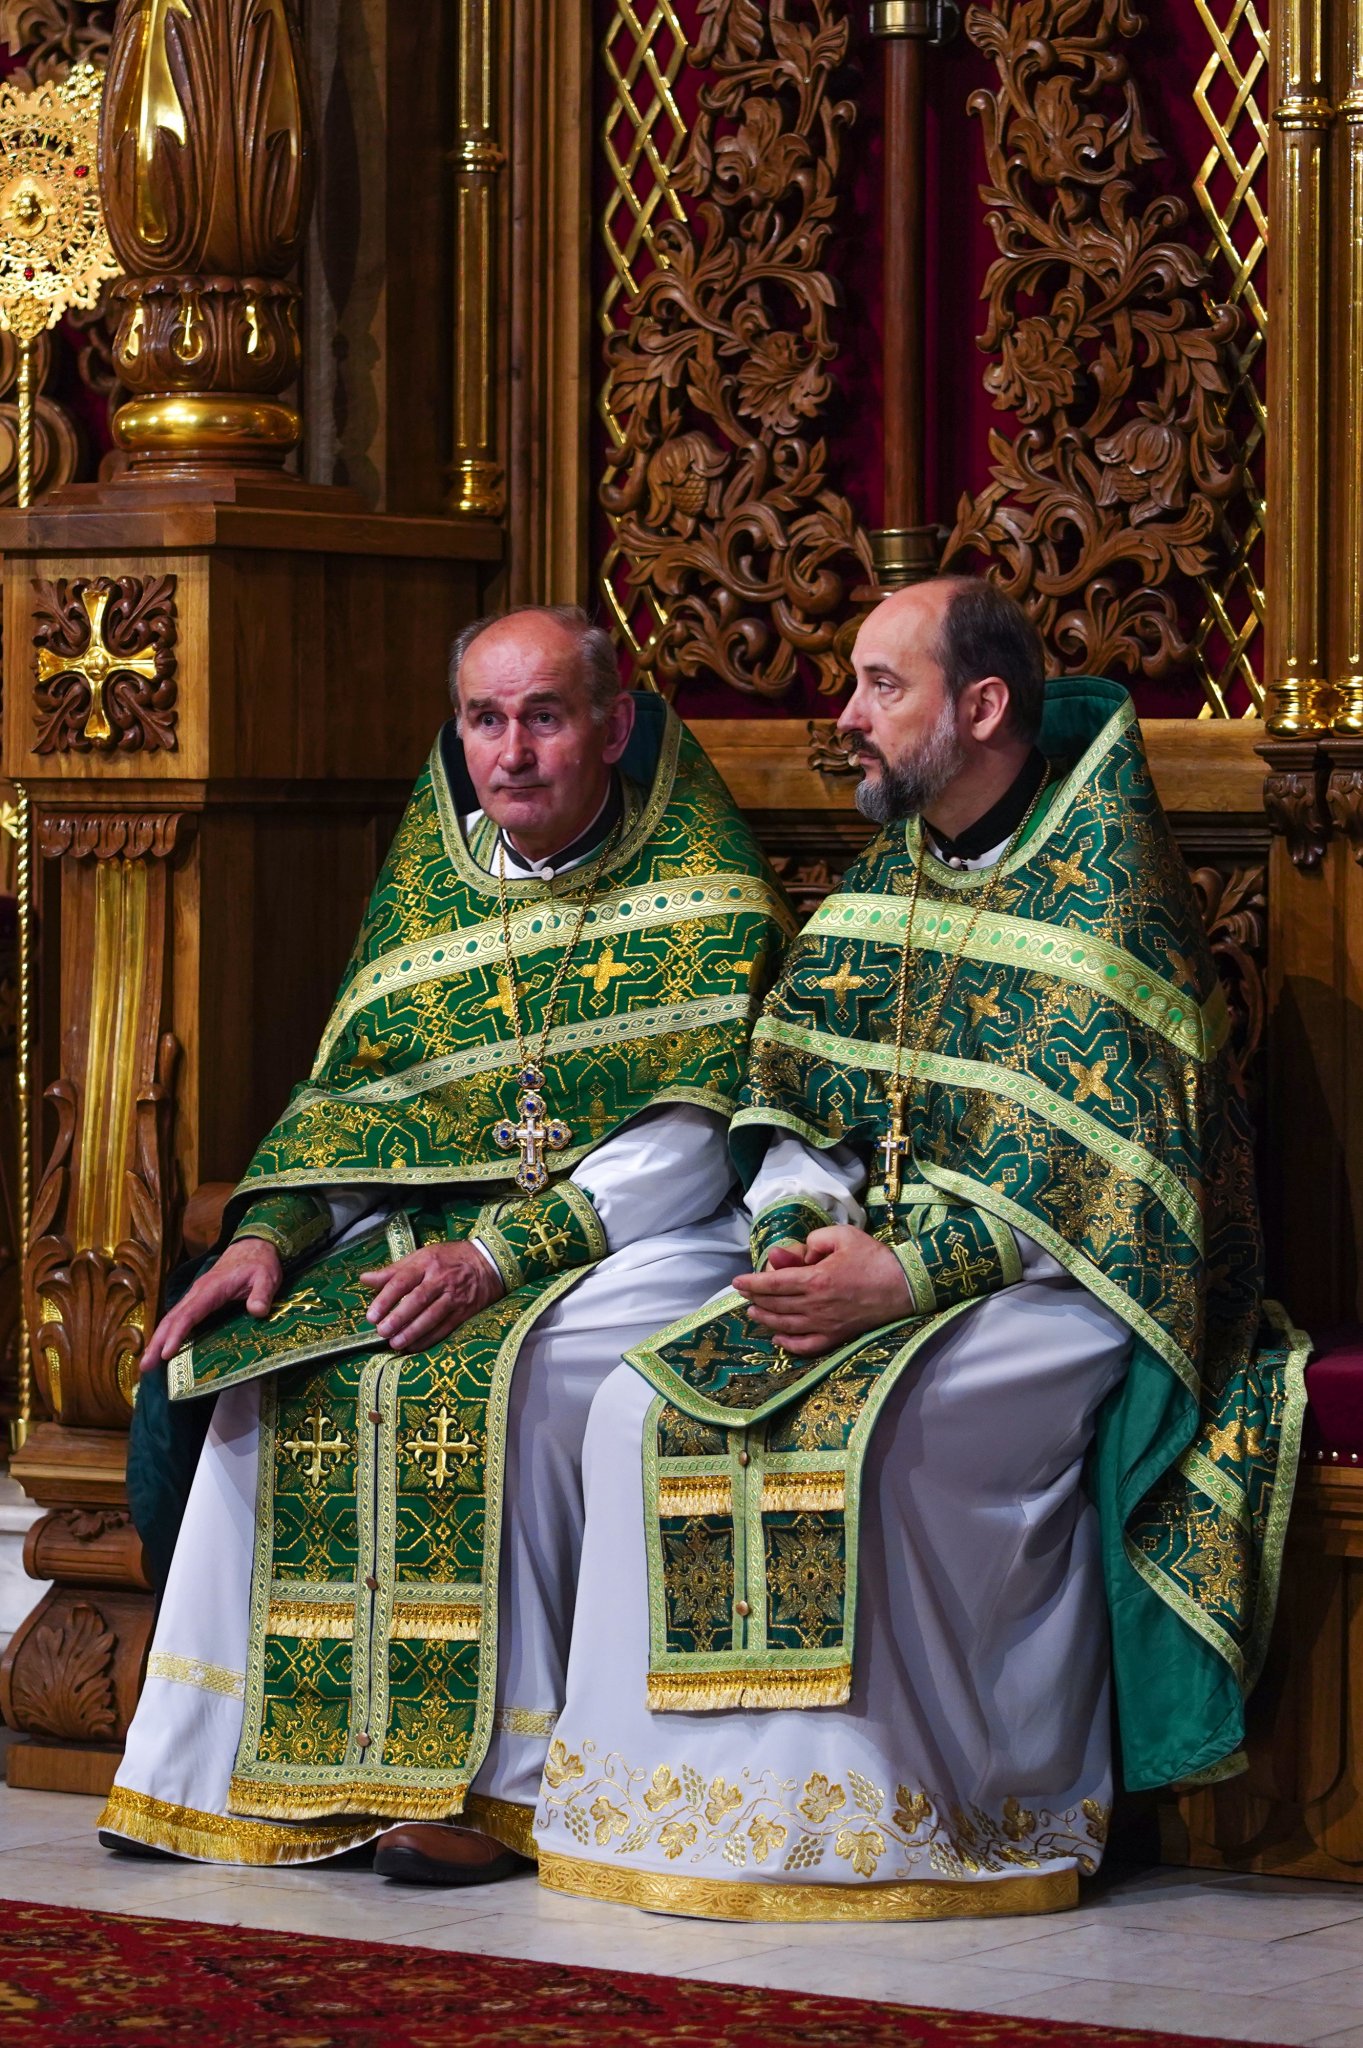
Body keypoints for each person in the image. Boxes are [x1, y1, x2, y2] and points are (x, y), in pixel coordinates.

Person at [537, 575, 1306, 1922]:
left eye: (879, 688)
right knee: (629, 1409)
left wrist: (905, 1278)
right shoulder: (887, 882)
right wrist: (789, 1231)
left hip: (1053, 1288)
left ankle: (915, 1811)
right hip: (856, 1259)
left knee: (877, 1437)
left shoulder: (1099, 904)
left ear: (982, 706)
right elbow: (791, 1092)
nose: (844, 719)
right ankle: (680, 1817)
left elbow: (1116, 1187)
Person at [97, 604, 792, 1883]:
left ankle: (496, 1784)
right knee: (276, 1362)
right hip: (436, 1233)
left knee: (519, 1383)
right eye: (485, 719)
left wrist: (501, 1255)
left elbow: (697, 1137)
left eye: (545, 716)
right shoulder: (435, 886)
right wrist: (271, 1231)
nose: (512, 752)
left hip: (644, 1237)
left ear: (614, 725)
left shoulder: (701, 882)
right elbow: (364, 1108)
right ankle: (216, 1765)